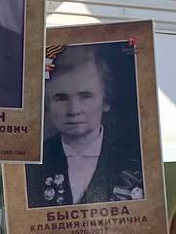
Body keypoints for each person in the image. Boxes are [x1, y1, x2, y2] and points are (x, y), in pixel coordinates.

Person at [25, 45, 143, 207]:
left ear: (106, 100)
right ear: (48, 103)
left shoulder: (136, 159)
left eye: (85, 96)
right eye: (61, 98)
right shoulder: (31, 165)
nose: (73, 110)